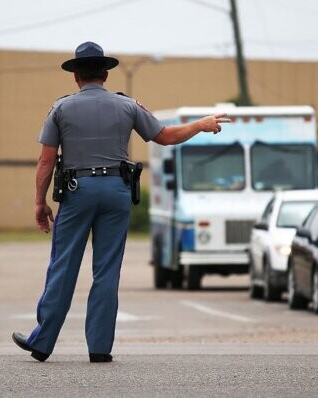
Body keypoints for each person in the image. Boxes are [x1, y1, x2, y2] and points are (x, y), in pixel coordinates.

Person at [12, 42, 231, 362]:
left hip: (77, 191)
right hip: (117, 190)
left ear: (75, 77)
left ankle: (43, 342)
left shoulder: (61, 109)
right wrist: (200, 124)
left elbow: (46, 162)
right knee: (107, 270)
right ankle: (100, 348)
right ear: (105, 73)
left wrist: (39, 202)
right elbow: (165, 137)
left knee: (64, 265)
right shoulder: (127, 106)